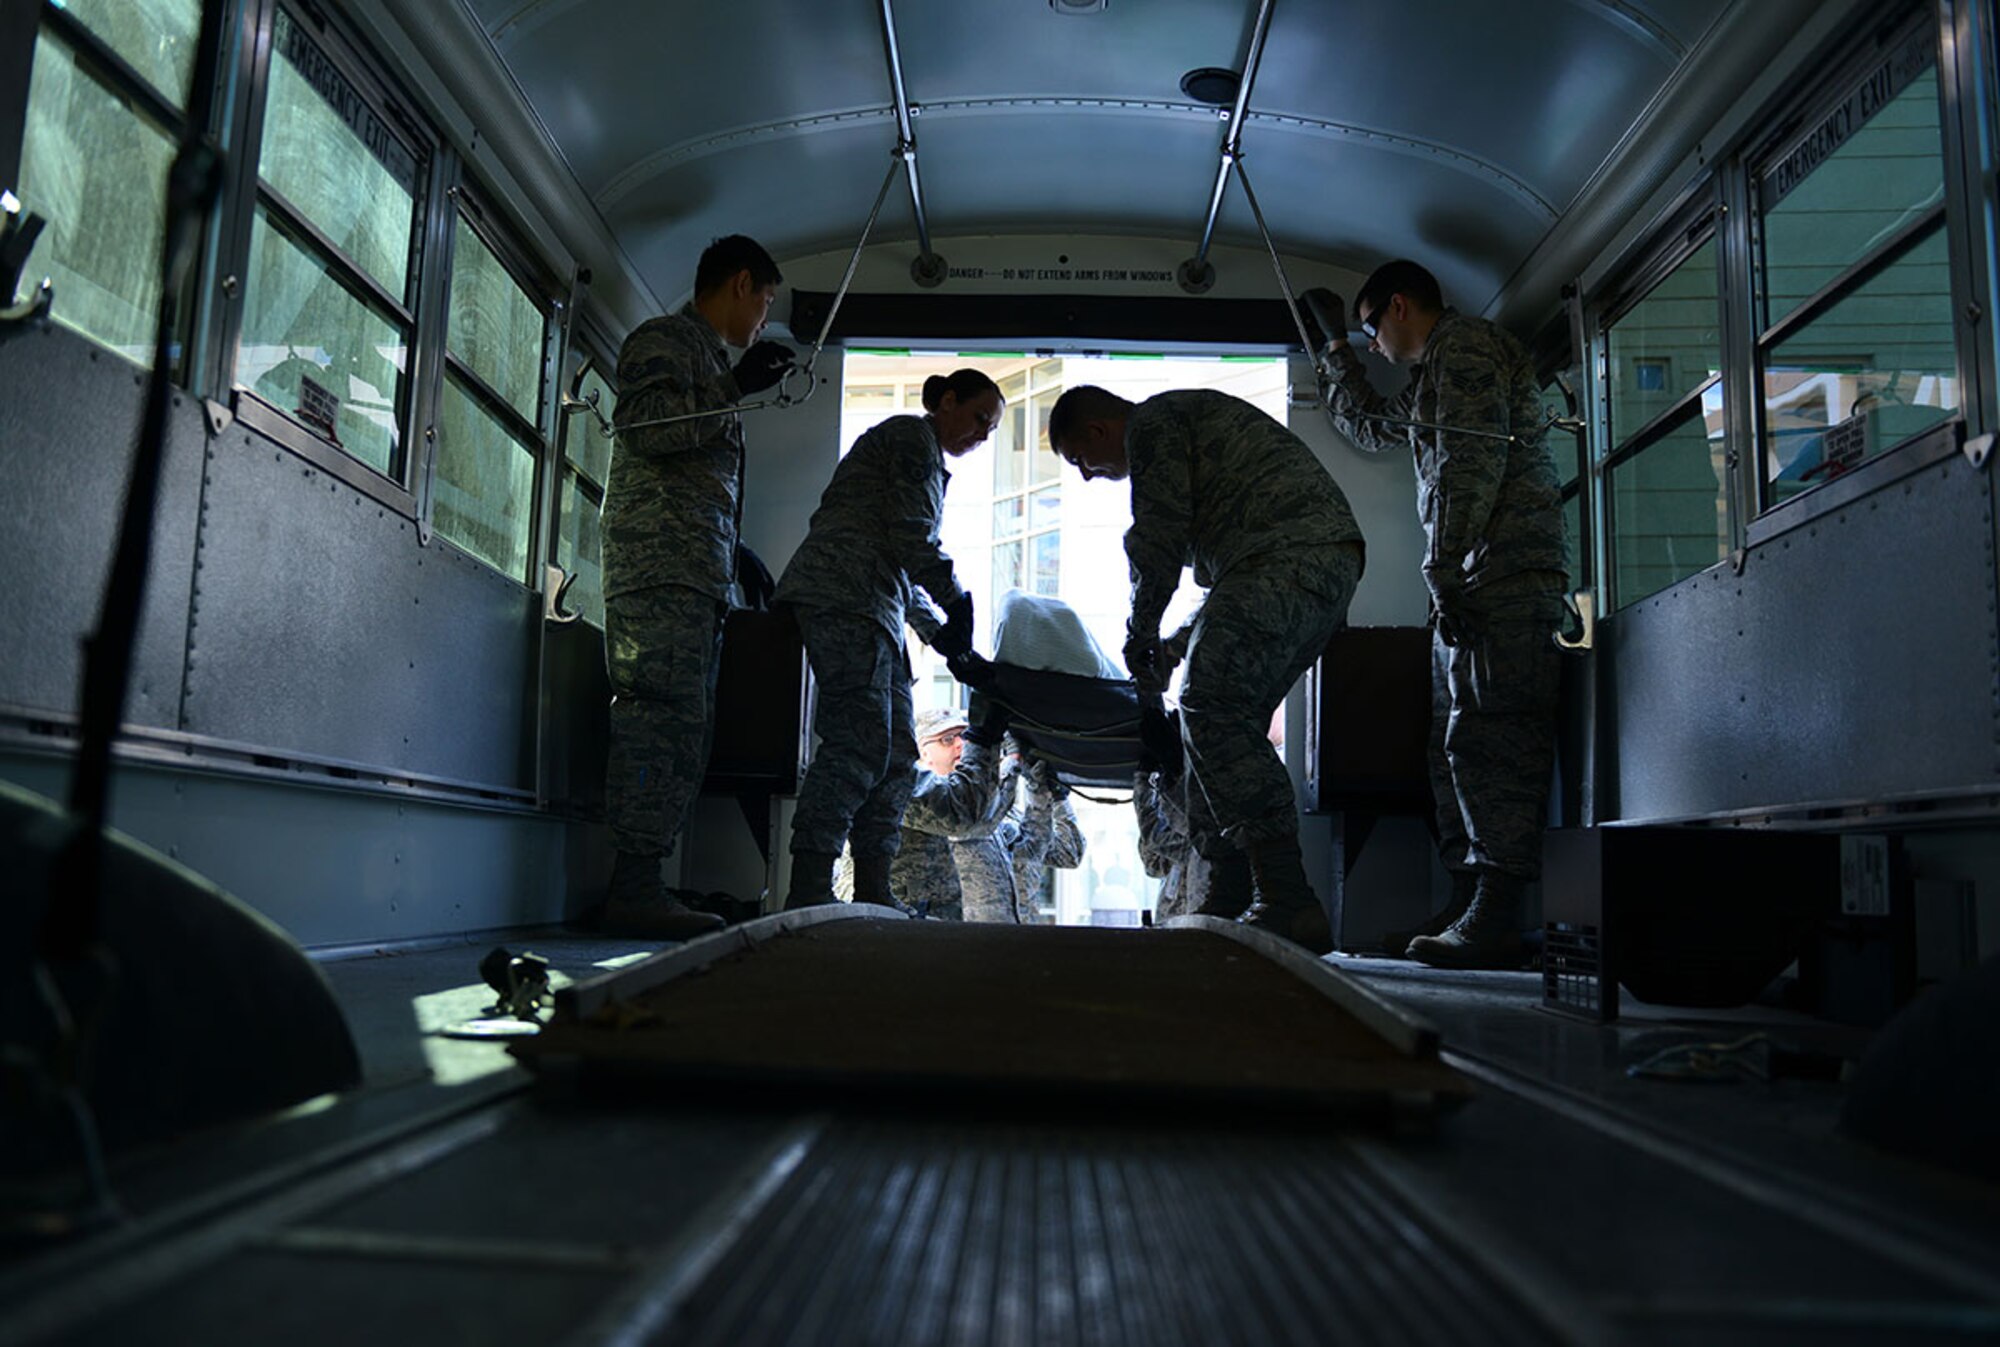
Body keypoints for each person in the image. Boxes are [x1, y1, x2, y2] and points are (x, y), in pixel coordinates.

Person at [1305, 259, 1567, 969]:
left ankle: (1498, 909)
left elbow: (1466, 466)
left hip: (1503, 573)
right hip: (1472, 578)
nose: (1370, 345)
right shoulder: (1432, 376)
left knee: (1494, 738)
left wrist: (1442, 566)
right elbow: (1368, 426)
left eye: (1366, 329)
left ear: (1397, 306)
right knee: (1453, 745)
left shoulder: (1471, 351)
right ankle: (1467, 898)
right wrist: (1332, 351)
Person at [1047, 385, 1365, 953]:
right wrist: (1173, 644)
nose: (1088, 476)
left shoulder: (1153, 424)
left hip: (1289, 554)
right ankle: (1231, 888)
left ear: (1097, 431)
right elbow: (1224, 583)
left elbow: (1157, 539)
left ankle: (1287, 898)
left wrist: (1140, 634)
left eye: (1080, 461)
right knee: (1211, 723)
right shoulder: (1182, 420)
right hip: (1307, 560)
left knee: (1209, 706)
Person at [599, 234, 797, 939]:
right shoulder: (666, 340)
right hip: (660, 571)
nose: (764, 318)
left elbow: (687, 479)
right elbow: (646, 429)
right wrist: (735, 389)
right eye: (766, 300)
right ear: (741, 283)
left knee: (683, 726)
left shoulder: (705, 359)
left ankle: (645, 880)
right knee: (658, 721)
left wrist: (734, 551)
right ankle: (631, 885)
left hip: (692, 572)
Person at [776, 369, 1004, 908]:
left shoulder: (921, 451)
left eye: (991, 429)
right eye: (979, 419)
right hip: (843, 596)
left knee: (899, 754)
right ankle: (809, 886)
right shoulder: (911, 439)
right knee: (858, 743)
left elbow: (901, 565)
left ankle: (874, 886)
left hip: (872, 604)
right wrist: (957, 602)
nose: (982, 435)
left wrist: (946, 638)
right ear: (947, 401)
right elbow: (912, 537)